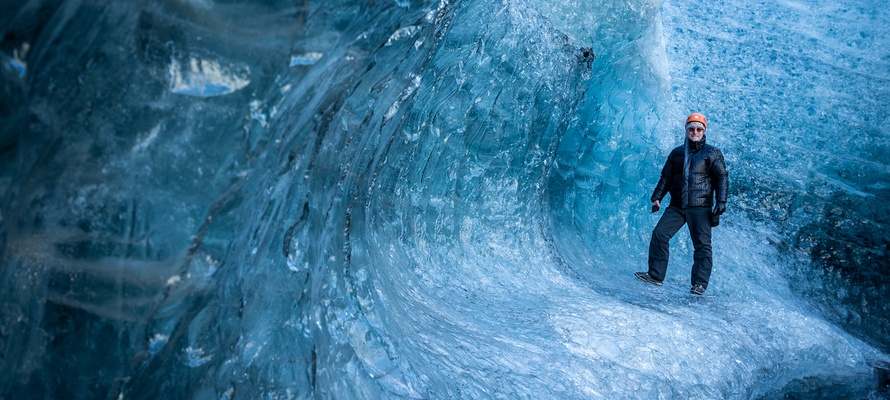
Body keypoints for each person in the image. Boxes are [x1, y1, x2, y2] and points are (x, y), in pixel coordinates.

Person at [635, 113, 728, 295]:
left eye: (698, 129)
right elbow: (666, 177)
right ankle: (655, 275)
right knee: (659, 235)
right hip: (677, 206)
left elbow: (721, 177)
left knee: (702, 245)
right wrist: (657, 197)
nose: (695, 132)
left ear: (704, 131)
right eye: (691, 129)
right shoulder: (677, 153)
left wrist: (721, 201)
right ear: (686, 130)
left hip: (700, 206)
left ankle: (699, 284)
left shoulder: (711, 153)